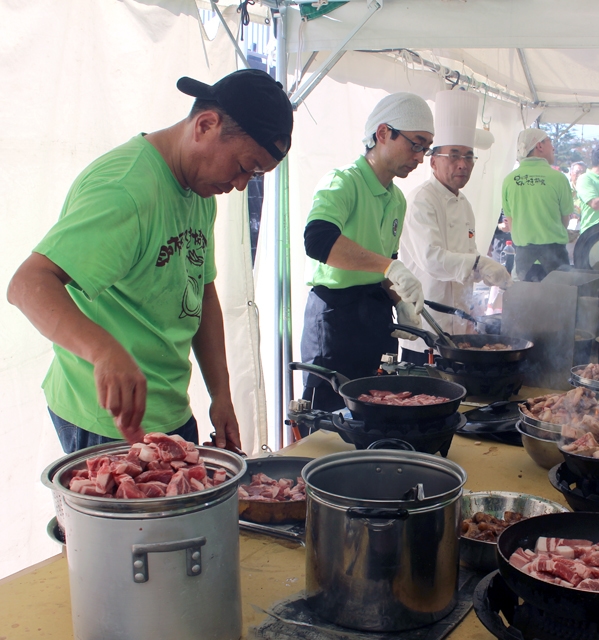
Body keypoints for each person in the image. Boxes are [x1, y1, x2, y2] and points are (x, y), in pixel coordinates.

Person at [6, 69, 293, 453]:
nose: (241, 185)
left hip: (170, 411)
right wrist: (104, 351)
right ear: (206, 125)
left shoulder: (199, 191)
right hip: (107, 419)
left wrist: (221, 394)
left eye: (255, 176)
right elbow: (28, 284)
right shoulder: (125, 190)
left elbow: (202, 292)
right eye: (244, 167)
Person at [301, 92, 432, 411]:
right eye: (415, 144)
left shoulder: (397, 199)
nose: (419, 158)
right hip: (336, 320)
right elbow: (318, 240)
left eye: (425, 149)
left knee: (380, 407)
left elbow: (385, 261)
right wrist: (389, 268)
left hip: (374, 316)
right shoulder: (342, 182)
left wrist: (399, 301)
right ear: (383, 133)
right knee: (330, 420)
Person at [397, 90, 511, 364]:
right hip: (427, 328)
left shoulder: (464, 204)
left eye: (469, 156)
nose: (463, 164)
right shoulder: (422, 199)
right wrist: (480, 264)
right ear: (433, 161)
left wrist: (479, 296)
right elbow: (432, 259)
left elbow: (465, 262)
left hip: (459, 327)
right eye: (454, 155)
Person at [501, 129, 575, 281]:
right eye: (550, 142)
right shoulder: (558, 178)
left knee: (523, 302)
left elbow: (511, 220)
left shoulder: (509, 180)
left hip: (523, 260)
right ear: (539, 146)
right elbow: (564, 220)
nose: (553, 148)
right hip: (555, 259)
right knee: (558, 301)